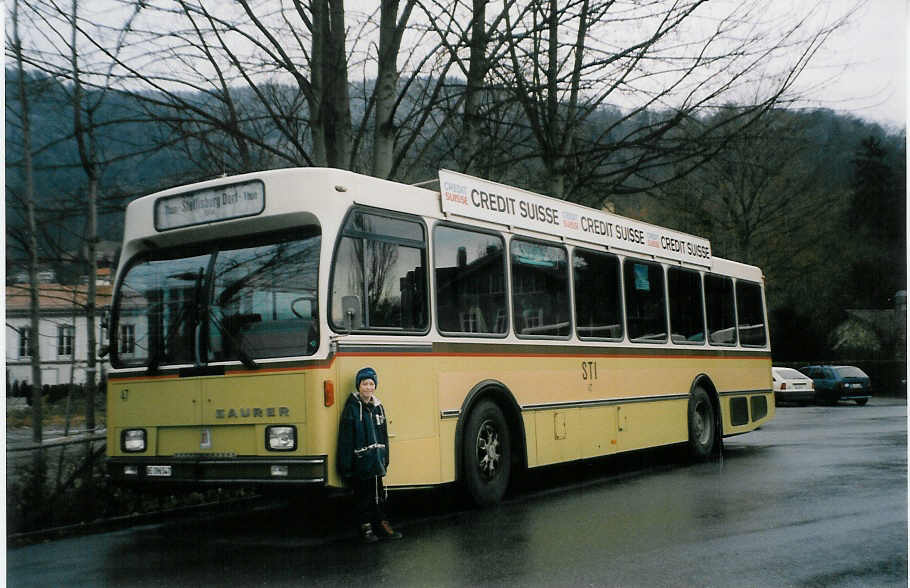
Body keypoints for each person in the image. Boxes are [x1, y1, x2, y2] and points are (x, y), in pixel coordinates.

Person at [337, 367, 403, 543]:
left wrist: (385, 457)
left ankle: (382, 525)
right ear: (359, 386)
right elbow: (345, 440)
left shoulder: (379, 408)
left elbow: (383, 436)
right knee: (363, 496)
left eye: (371, 384)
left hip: (376, 461)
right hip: (361, 462)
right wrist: (346, 466)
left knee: (379, 495)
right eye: (364, 384)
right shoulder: (351, 409)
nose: (368, 387)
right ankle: (365, 528)